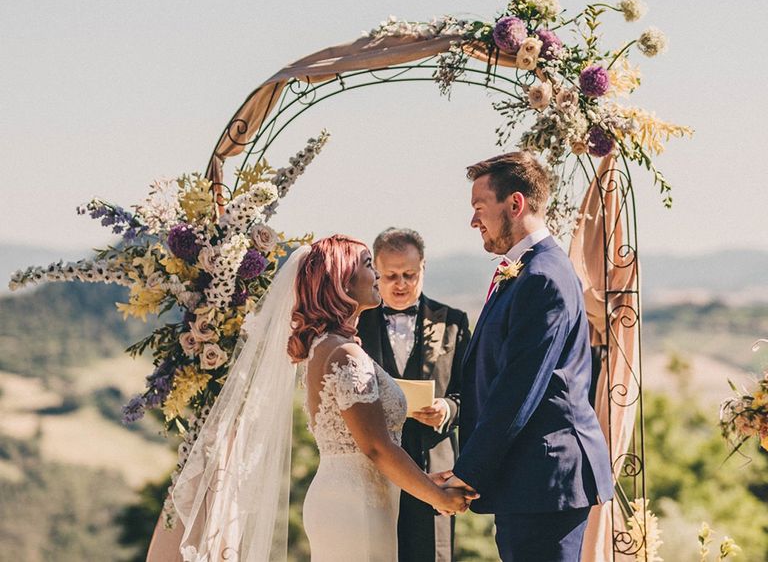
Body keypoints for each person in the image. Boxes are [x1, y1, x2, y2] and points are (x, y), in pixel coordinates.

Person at [169, 235, 476, 562]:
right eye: (369, 266)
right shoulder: (345, 354)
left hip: (353, 499)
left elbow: (361, 447)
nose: (378, 278)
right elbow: (376, 447)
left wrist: (425, 481)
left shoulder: (326, 346)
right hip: (355, 507)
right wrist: (437, 497)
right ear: (344, 280)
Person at [443, 152, 614, 562]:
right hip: (529, 480)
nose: (473, 221)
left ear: (515, 204)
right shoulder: (530, 270)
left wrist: (467, 474)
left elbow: (517, 390)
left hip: (545, 480)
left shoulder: (542, 277)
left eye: (479, 208)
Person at [357, 227, 470, 562]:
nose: (401, 284)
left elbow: (474, 395)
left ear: (424, 268)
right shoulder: (355, 324)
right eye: (390, 276)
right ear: (375, 272)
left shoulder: (454, 322)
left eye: (409, 274)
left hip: (435, 468)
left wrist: (446, 409)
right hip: (371, 470)